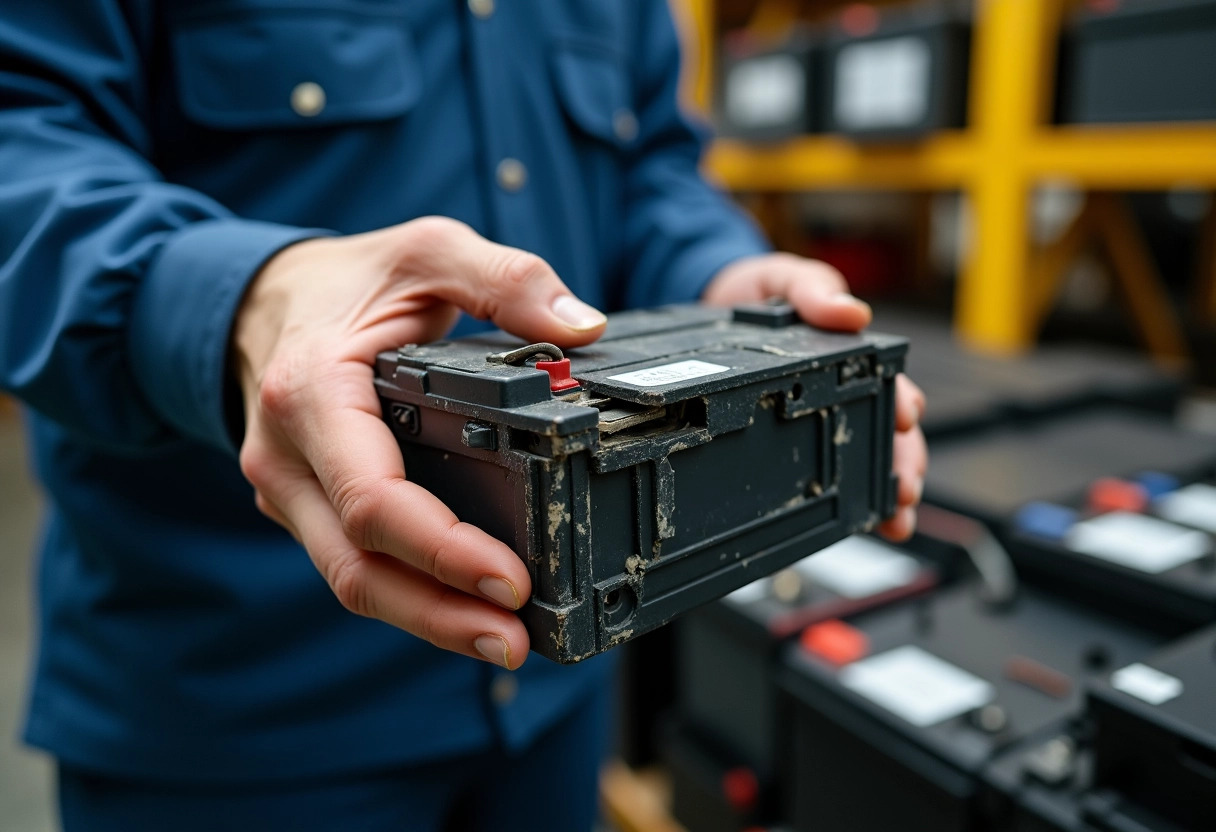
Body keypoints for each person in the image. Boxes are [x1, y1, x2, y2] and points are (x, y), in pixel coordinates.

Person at [0, 1, 926, 829]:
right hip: (238, 714)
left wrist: (723, 285)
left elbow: (651, 169)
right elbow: (23, 141)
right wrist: (240, 301)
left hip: (559, 689)